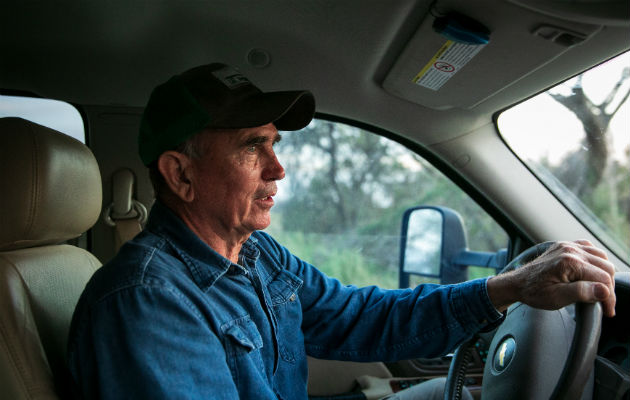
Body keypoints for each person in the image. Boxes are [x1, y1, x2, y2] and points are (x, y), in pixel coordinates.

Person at [67, 63, 616, 399]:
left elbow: (362, 316)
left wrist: (508, 288)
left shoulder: (258, 255)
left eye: (273, 144)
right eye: (251, 146)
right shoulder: (147, 302)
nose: (278, 168)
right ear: (180, 174)